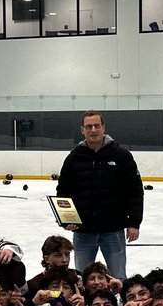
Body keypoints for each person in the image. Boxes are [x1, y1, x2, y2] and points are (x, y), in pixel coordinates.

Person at [55, 110, 143, 280]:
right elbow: (63, 192)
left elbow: (135, 191)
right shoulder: (74, 158)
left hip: (113, 230)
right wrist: (66, 219)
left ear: (104, 128)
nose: (93, 130)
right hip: (83, 232)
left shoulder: (121, 156)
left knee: (118, 277)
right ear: (82, 130)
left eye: (97, 126)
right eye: (89, 126)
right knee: (82, 278)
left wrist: (134, 223)